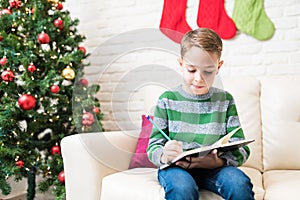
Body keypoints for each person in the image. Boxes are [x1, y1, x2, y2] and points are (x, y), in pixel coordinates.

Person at [146, 28, 254, 200]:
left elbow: (241, 148)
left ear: (218, 67)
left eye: (208, 71)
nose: (199, 78)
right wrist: (165, 154)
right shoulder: (167, 100)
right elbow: (153, 147)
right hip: (177, 169)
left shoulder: (225, 100)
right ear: (181, 65)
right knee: (182, 188)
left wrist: (217, 161)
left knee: (239, 183)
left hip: (215, 168)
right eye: (191, 70)